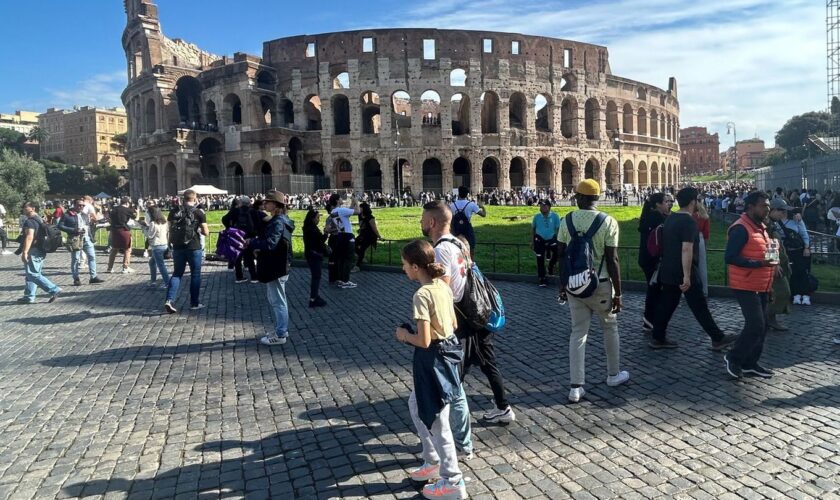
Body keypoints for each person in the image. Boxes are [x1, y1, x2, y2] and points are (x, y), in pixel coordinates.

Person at [423, 202, 515, 450]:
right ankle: (503, 407)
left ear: (432, 222)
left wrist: (434, 321)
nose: (421, 222)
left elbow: (443, 289)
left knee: (453, 375)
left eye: (423, 218)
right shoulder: (457, 242)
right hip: (477, 311)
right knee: (487, 362)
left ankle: (453, 436)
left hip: (461, 318)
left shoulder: (441, 249)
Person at [394, 239, 467, 500]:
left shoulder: (422, 295)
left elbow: (424, 340)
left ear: (415, 267)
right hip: (448, 352)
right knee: (417, 405)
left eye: (404, 265)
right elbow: (454, 323)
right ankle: (432, 459)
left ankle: (452, 480)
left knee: (437, 420)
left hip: (432, 358)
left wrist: (404, 335)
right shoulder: (442, 287)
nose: (403, 269)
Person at [556, 180, 629, 403]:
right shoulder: (608, 222)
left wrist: (562, 285)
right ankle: (613, 374)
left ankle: (576, 387)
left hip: (574, 284)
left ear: (580, 198)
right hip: (602, 283)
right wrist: (618, 292)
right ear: (596, 198)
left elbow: (560, 255)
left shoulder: (566, 220)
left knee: (578, 332)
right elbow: (613, 259)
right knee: (610, 328)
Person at [650, 187, 737, 350]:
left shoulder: (671, 218)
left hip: (668, 269)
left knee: (667, 303)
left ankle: (657, 337)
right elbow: (686, 249)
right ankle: (718, 338)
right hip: (684, 271)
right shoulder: (689, 221)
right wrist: (687, 276)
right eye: (697, 200)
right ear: (692, 202)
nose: (699, 202)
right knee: (699, 305)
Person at [723, 192, 777, 379]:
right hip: (745, 284)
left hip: (761, 284)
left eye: (768, 206)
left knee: (762, 326)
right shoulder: (740, 229)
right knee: (756, 325)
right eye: (764, 205)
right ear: (751, 207)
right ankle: (734, 357)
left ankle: (750, 363)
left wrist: (769, 285)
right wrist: (758, 264)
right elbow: (730, 257)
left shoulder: (761, 228)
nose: (767, 209)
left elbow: (766, 257)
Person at [248, 191, 295, 345]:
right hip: (278, 264)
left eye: (268, 202)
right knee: (276, 299)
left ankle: (281, 334)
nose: (264, 204)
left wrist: (252, 243)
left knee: (278, 301)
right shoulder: (280, 220)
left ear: (275, 205)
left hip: (277, 266)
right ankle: (281, 330)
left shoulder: (277, 222)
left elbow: (270, 243)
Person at [164, 189, 209, 314]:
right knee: (195, 274)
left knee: (177, 273)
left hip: (178, 246)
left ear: (183, 198)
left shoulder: (173, 212)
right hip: (193, 246)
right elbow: (206, 232)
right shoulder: (199, 212)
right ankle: (194, 303)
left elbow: (169, 229)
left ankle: (169, 300)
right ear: (194, 198)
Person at [637, 192, 673, 333]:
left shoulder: (650, 216)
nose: (669, 204)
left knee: (654, 289)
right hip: (653, 260)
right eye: (666, 201)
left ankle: (650, 320)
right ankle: (649, 321)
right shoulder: (656, 217)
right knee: (654, 290)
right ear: (658, 204)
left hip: (647, 259)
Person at [18, 202, 61, 304]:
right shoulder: (40, 219)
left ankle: (54, 289)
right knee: (32, 274)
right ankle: (29, 296)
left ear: (32, 208)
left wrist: (25, 252)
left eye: (25, 207)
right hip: (41, 249)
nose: (23, 209)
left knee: (32, 274)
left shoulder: (30, 221)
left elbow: (30, 236)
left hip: (34, 250)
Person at [772, 201, 812, 305]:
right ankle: (795, 294)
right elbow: (771, 242)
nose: (783, 213)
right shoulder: (772, 223)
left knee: (802, 271)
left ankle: (805, 294)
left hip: (797, 250)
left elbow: (804, 233)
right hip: (784, 251)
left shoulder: (796, 220)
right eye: (782, 210)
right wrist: (773, 262)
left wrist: (806, 247)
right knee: (790, 272)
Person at [57, 198, 104, 286]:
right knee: (76, 259)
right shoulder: (68, 214)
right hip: (75, 238)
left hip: (86, 238)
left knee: (92, 256)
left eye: (83, 205)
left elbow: (88, 227)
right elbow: (60, 226)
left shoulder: (85, 215)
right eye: (79, 205)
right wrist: (74, 230)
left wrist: (91, 237)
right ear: (74, 205)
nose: (81, 207)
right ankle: (76, 278)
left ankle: (93, 277)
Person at [327, 193, 360, 289]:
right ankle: (346, 280)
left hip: (340, 236)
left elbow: (347, 214)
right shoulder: (341, 210)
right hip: (348, 235)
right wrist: (356, 202)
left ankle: (341, 280)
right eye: (341, 198)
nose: (342, 199)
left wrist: (353, 203)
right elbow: (357, 211)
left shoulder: (333, 212)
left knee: (342, 258)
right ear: (337, 200)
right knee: (348, 258)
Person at [222, 196, 258, 283]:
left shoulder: (235, 210)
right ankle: (254, 277)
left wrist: (230, 228)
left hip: (237, 236)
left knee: (237, 257)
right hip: (249, 237)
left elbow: (224, 219)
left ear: (240, 203)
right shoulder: (253, 211)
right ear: (250, 203)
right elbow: (258, 223)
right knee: (249, 257)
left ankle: (239, 277)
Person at [531, 199, 561, 287]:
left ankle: (551, 266)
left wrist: (560, 241)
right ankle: (542, 278)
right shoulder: (537, 217)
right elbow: (533, 229)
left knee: (556, 253)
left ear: (549, 207)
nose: (542, 207)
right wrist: (532, 241)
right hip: (539, 239)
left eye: (544, 206)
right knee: (540, 259)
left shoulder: (555, 216)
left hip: (551, 238)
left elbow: (558, 229)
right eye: (540, 206)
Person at [449, 186, 486, 255]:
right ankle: (470, 263)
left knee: (455, 249)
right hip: (467, 229)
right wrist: (482, 207)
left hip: (455, 229)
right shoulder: (471, 204)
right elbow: (483, 215)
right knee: (471, 247)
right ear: (467, 194)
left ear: (458, 194)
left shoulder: (452, 205)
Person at [303, 208, 328, 308]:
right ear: (312, 218)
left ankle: (315, 296)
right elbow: (319, 241)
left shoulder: (309, 228)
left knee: (316, 276)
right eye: (317, 217)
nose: (319, 219)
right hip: (314, 255)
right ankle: (313, 298)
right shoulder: (312, 229)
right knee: (316, 277)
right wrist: (326, 232)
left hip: (312, 254)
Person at [107, 197, 137, 274]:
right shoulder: (128, 210)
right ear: (127, 203)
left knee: (114, 249)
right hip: (124, 230)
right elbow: (135, 217)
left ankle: (110, 268)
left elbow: (109, 218)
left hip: (114, 231)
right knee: (127, 249)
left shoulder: (114, 209)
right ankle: (125, 267)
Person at [142, 206, 170, 288]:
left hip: (157, 246)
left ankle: (167, 282)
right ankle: (153, 281)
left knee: (161, 265)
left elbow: (150, 235)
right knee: (152, 262)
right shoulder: (164, 221)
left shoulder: (153, 223)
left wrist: (144, 229)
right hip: (164, 243)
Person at [354, 202, 381, 271]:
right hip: (363, 235)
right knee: (353, 244)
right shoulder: (360, 215)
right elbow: (360, 225)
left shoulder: (370, 217)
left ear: (364, 208)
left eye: (360, 207)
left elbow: (374, 228)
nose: (359, 209)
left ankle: (357, 266)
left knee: (362, 248)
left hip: (370, 236)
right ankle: (361, 258)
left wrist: (379, 236)